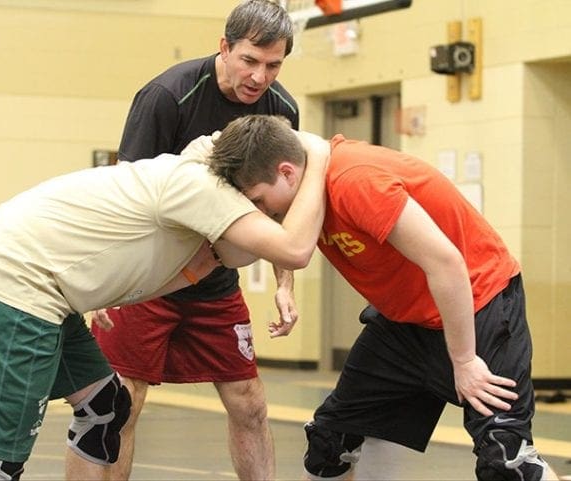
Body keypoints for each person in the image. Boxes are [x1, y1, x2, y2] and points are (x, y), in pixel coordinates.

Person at [0, 122, 330, 481]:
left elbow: (240, 138)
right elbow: (294, 250)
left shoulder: (206, 159)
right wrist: (320, 152)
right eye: (258, 206)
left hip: (43, 282)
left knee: (105, 407)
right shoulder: (201, 188)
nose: (263, 215)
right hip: (20, 283)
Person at [208, 115, 559, 481]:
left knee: (505, 459)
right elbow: (287, 239)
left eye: (260, 201)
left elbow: (447, 263)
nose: (262, 212)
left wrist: (465, 360)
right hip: (405, 320)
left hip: (476, 300)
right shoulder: (302, 193)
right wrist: (285, 286)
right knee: (329, 444)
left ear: (287, 172)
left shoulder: (355, 182)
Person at [90, 1, 299, 479]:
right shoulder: (168, 95)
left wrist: (285, 285)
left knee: (250, 403)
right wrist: (105, 282)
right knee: (120, 403)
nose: (259, 77)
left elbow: (283, 205)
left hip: (216, 281)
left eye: (273, 65)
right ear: (224, 47)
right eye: (250, 60)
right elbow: (125, 196)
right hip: (147, 279)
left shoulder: (282, 109)